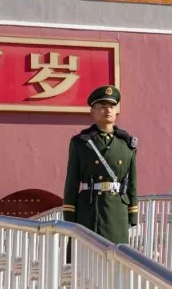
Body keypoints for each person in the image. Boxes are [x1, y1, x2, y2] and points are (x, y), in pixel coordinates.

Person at [62, 85, 138, 244]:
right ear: (92, 111)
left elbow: (132, 182)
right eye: (102, 106)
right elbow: (72, 182)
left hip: (117, 211)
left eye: (112, 106)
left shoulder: (126, 144)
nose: (108, 110)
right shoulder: (81, 143)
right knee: (86, 252)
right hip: (89, 209)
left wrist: (133, 214)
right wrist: (69, 215)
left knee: (116, 253)